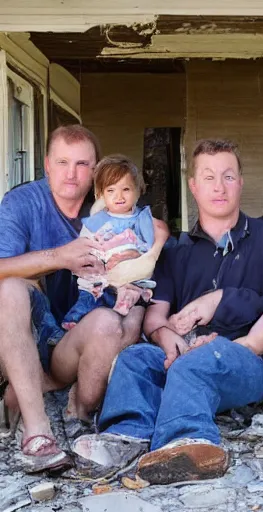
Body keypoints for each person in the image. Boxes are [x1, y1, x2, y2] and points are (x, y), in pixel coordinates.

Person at [71, 139, 263, 484]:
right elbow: (155, 317)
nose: (219, 187)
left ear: (240, 182)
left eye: (228, 176)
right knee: (135, 358)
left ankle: (188, 443)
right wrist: (168, 340)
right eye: (208, 177)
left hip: (249, 358)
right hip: (187, 351)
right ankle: (126, 437)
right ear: (193, 186)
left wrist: (244, 346)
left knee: (200, 362)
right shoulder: (178, 250)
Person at [0, 125, 146, 473]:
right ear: (47, 165)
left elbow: (151, 250)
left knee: (116, 320)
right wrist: (60, 257)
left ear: (96, 169)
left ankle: (67, 401)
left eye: (82, 164)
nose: (71, 173)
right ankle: (37, 432)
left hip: (76, 338)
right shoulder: (22, 202)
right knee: (9, 288)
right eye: (62, 162)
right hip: (28, 330)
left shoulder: (115, 206)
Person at [62, 155, 169, 330]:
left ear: (138, 190)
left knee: (134, 292)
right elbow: (85, 245)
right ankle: (77, 317)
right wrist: (98, 262)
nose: (119, 196)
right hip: (103, 270)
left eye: (126, 189)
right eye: (111, 191)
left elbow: (148, 247)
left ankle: (123, 311)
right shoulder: (97, 220)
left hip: (130, 272)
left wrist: (133, 255)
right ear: (100, 194)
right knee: (89, 293)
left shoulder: (142, 219)